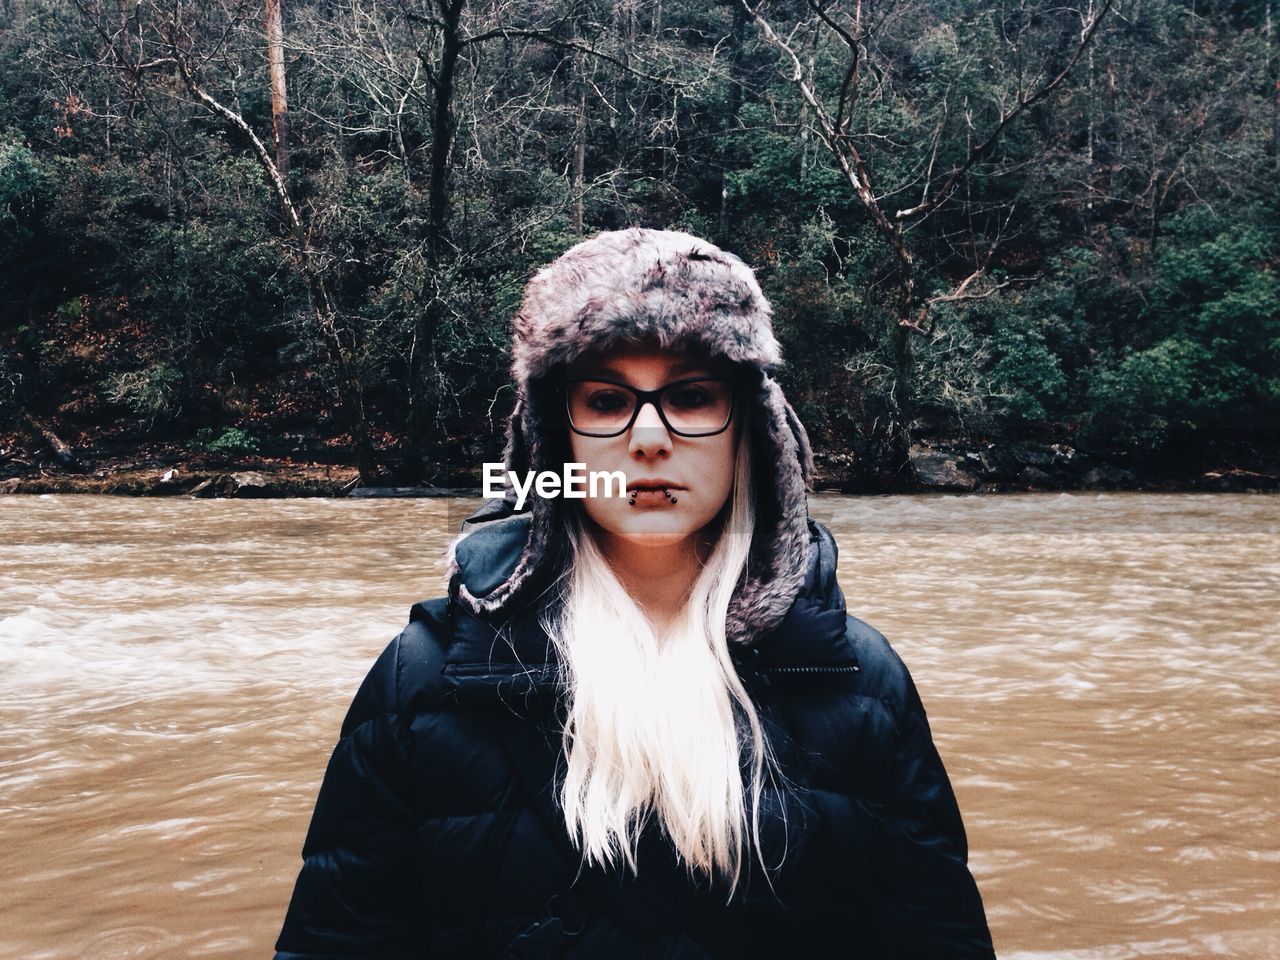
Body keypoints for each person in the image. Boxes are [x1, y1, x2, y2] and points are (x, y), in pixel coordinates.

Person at [274, 228, 996, 958]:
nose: (649, 438)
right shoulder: (421, 681)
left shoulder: (862, 681)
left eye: (690, 396)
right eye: (606, 398)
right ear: (557, 436)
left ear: (750, 425)